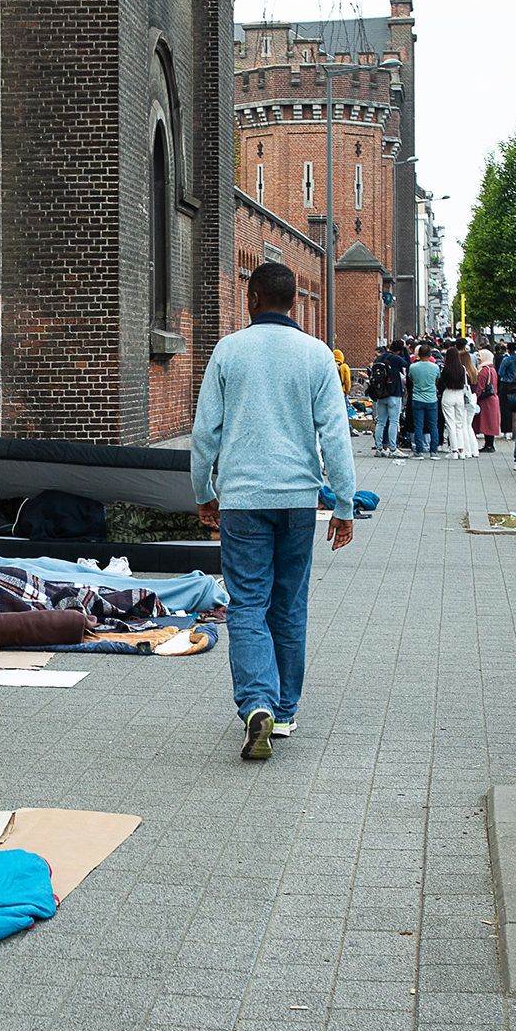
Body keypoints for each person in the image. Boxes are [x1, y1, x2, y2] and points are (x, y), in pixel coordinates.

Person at [190, 262, 356, 761]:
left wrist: (203, 491)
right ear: (290, 301)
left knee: (246, 604)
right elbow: (336, 436)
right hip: (298, 500)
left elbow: (204, 434)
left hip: (242, 500)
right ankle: (283, 711)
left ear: (255, 297)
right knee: (289, 604)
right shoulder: (317, 355)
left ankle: (256, 703)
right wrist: (344, 505)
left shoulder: (229, 351)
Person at [365, 342, 407, 458]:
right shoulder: (396, 358)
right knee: (393, 421)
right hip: (394, 393)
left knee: (381, 421)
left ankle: (379, 448)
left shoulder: (380, 357)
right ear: (398, 350)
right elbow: (407, 363)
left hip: (381, 393)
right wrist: (406, 349)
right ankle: (392, 448)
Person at [438, 347, 475, 459]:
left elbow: (441, 384)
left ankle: (453, 450)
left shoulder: (446, 369)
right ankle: (461, 450)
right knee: (459, 424)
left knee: (450, 423)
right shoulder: (462, 369)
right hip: (460, 396)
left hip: (448, 394)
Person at [407, 344, 442, 459]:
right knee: (433, 426)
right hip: (432, 399)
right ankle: (434, 452)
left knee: (418, 426)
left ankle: (419, 451)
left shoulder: (413, 367)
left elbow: (411, 380)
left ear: (418, 354)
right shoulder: (435, 367)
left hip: (417, 398)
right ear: (430, 355)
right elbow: (437, 381)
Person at [472, 348, 501, 453]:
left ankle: (488, 446)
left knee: (486, 421)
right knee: (490, 421)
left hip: (486, 400)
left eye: (480, 356)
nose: (478, 358)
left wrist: (475, 396)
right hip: (493, 398)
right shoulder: (492, 369)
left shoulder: (484, 371)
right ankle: (489, 444)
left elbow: (480, 387)